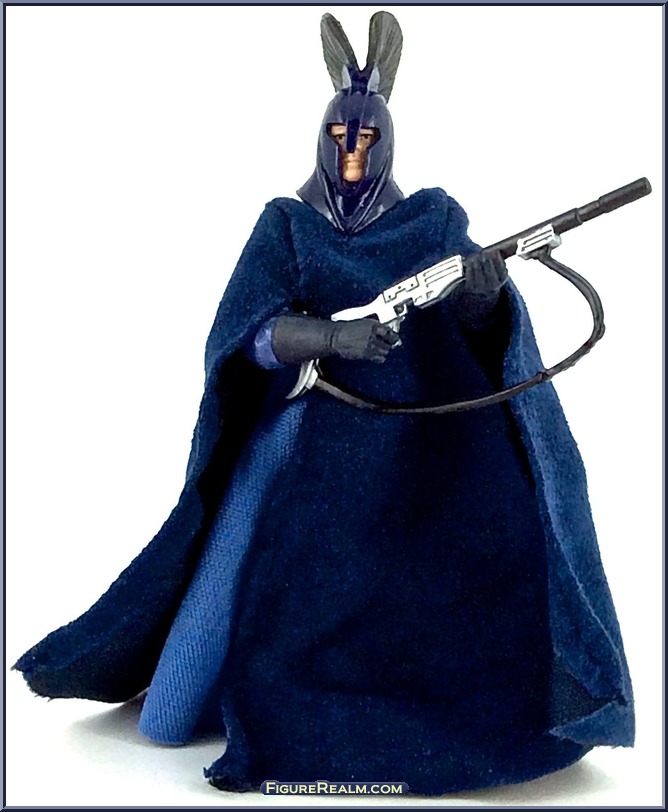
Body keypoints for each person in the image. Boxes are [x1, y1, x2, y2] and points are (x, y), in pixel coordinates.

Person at [14, 11, 633, 795]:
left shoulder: (433, 221)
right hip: (299, 431)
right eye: (339, 136)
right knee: (170, 707)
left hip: (411, 452)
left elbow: (478, 335)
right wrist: (335, 338)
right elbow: (247, 337)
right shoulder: (287, 225)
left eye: (365, 138)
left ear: (388, 140)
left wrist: (482, 297)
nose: (351, 153)